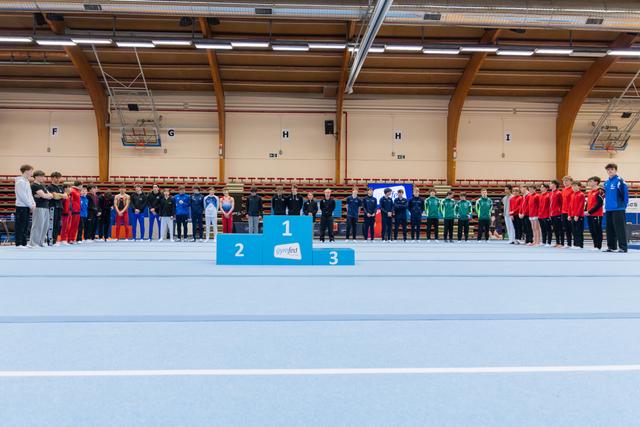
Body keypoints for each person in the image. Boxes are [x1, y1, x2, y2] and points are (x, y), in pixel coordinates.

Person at [603, 163, 629, 253]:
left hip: (618, 209)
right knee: (609, 229)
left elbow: (625, 195)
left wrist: (623, 206)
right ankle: (612, 247)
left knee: (620, 229)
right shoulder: (606, 183)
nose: (610, 171)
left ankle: (623, 247)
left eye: (612, 169)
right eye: (608, 169)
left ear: (615, 170)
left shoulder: (620, 181)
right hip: (609, 209)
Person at [28, 170, 53, 248]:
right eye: (41, 176)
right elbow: (45, 196)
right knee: (38, 225)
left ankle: (41, 242)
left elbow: (51, 195)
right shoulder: (34, 185)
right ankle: (33, 243)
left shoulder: (42, 186)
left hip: (45, 207)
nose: (43, 178)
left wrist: (45, 195)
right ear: (36, 177)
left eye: (43, 176)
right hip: (38, 207)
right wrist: (45, 195)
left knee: (45, 225)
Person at [14, 164, 35, 248]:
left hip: (27, 206)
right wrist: (30, 205)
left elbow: (29, 195)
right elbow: (22, 196)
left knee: (26, 225)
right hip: (21, 206)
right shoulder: (20, 182)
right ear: (26, 171)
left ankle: (24, 243)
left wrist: (33, 203)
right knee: (20, 225)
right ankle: (18, 243)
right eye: (31, 171)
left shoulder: (27, 181)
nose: (32, 173)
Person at [46, 171, 66, 245]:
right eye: (56, 178)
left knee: (57, 225)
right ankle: (50, 241)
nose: (57, 179)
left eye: (59, 178)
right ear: (52, 178)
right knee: (52, 224)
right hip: (52, 207)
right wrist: (61, 195)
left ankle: (54, 240)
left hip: (59, 207)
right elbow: (55, 197)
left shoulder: (60, 187)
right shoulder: (49, 187)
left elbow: (66, 196)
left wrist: (59, 195)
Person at [586, 176, 604, 251]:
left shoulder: (600, 191)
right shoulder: (590, 192)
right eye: (589, 181)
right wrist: (586, 211)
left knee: (597, 230)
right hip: (589, 214)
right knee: (592, 230)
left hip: (597, 214)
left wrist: (590, 212)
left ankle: (598, 246)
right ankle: (595, 245)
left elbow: (599, 204)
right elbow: (588, 203)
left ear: (596, 182)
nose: (589, 183)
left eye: (591, 181)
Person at [570, 181, 585, 249]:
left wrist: (577, 215)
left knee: (579, 230)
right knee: (574, 230)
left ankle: (580, 244)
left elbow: (581, 206)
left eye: (575, 186)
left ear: (579, 187)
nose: (574, 187)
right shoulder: (572, 195)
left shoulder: (581, 194)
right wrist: (569, 214)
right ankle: (575, 244)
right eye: (572, 186)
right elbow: (570, 206)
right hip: (572, 215)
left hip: (579, 215)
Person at [549, 179, 564, 247]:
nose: (549, 185)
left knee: (560, 228)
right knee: (555, 229)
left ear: (555, 185)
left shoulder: (558, 193)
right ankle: (557, 242)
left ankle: (562, 243)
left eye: (551, 184)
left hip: (557, 213)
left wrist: (560, 212)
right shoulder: (551, 193)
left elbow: (562, 203)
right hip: (552, 213)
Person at [561, 176, 574, 248]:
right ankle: (568, 243)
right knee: (566, 228)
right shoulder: (563, 190)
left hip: (570, 211)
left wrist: (571, 212)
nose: (565, 182)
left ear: (571, 181)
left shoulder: (572, 189)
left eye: (567, 180)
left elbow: (572, 202)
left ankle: (575, 243)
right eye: (564, 181)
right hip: (563, 211)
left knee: (571, 228)